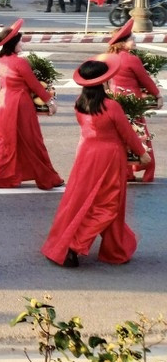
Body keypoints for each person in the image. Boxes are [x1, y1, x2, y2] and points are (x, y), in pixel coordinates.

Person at [42, 60, 150, 268]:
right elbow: (126, 133)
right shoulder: (111, 105)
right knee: (109, 205)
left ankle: (77, 243)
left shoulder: (79, 103)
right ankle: (73, 245)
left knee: (80, 201)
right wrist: (141, 153)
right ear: (104, 80)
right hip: (109, 157)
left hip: (86, 154)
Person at [0, 20, 64, 190]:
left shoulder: (2, 60)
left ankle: (2, 176)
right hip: (20, 105)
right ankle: (48, 177)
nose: (22, 43)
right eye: (20, 41)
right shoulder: (20, 62)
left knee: (6, 141)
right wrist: (50, 102)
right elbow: (35, 85)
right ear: (13, 43)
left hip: (4, 104)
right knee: (33, 141)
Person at [93, 19, 161, 182]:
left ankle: (125, 171)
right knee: (139, 135)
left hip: (113, 101)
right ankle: (146, 169)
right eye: (132, 39)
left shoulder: (106, 57)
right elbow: (145, 80)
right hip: (132, 104)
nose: (135, 41)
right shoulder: (131, 59)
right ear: (122, 43)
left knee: (120, 138)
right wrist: (158, 95)